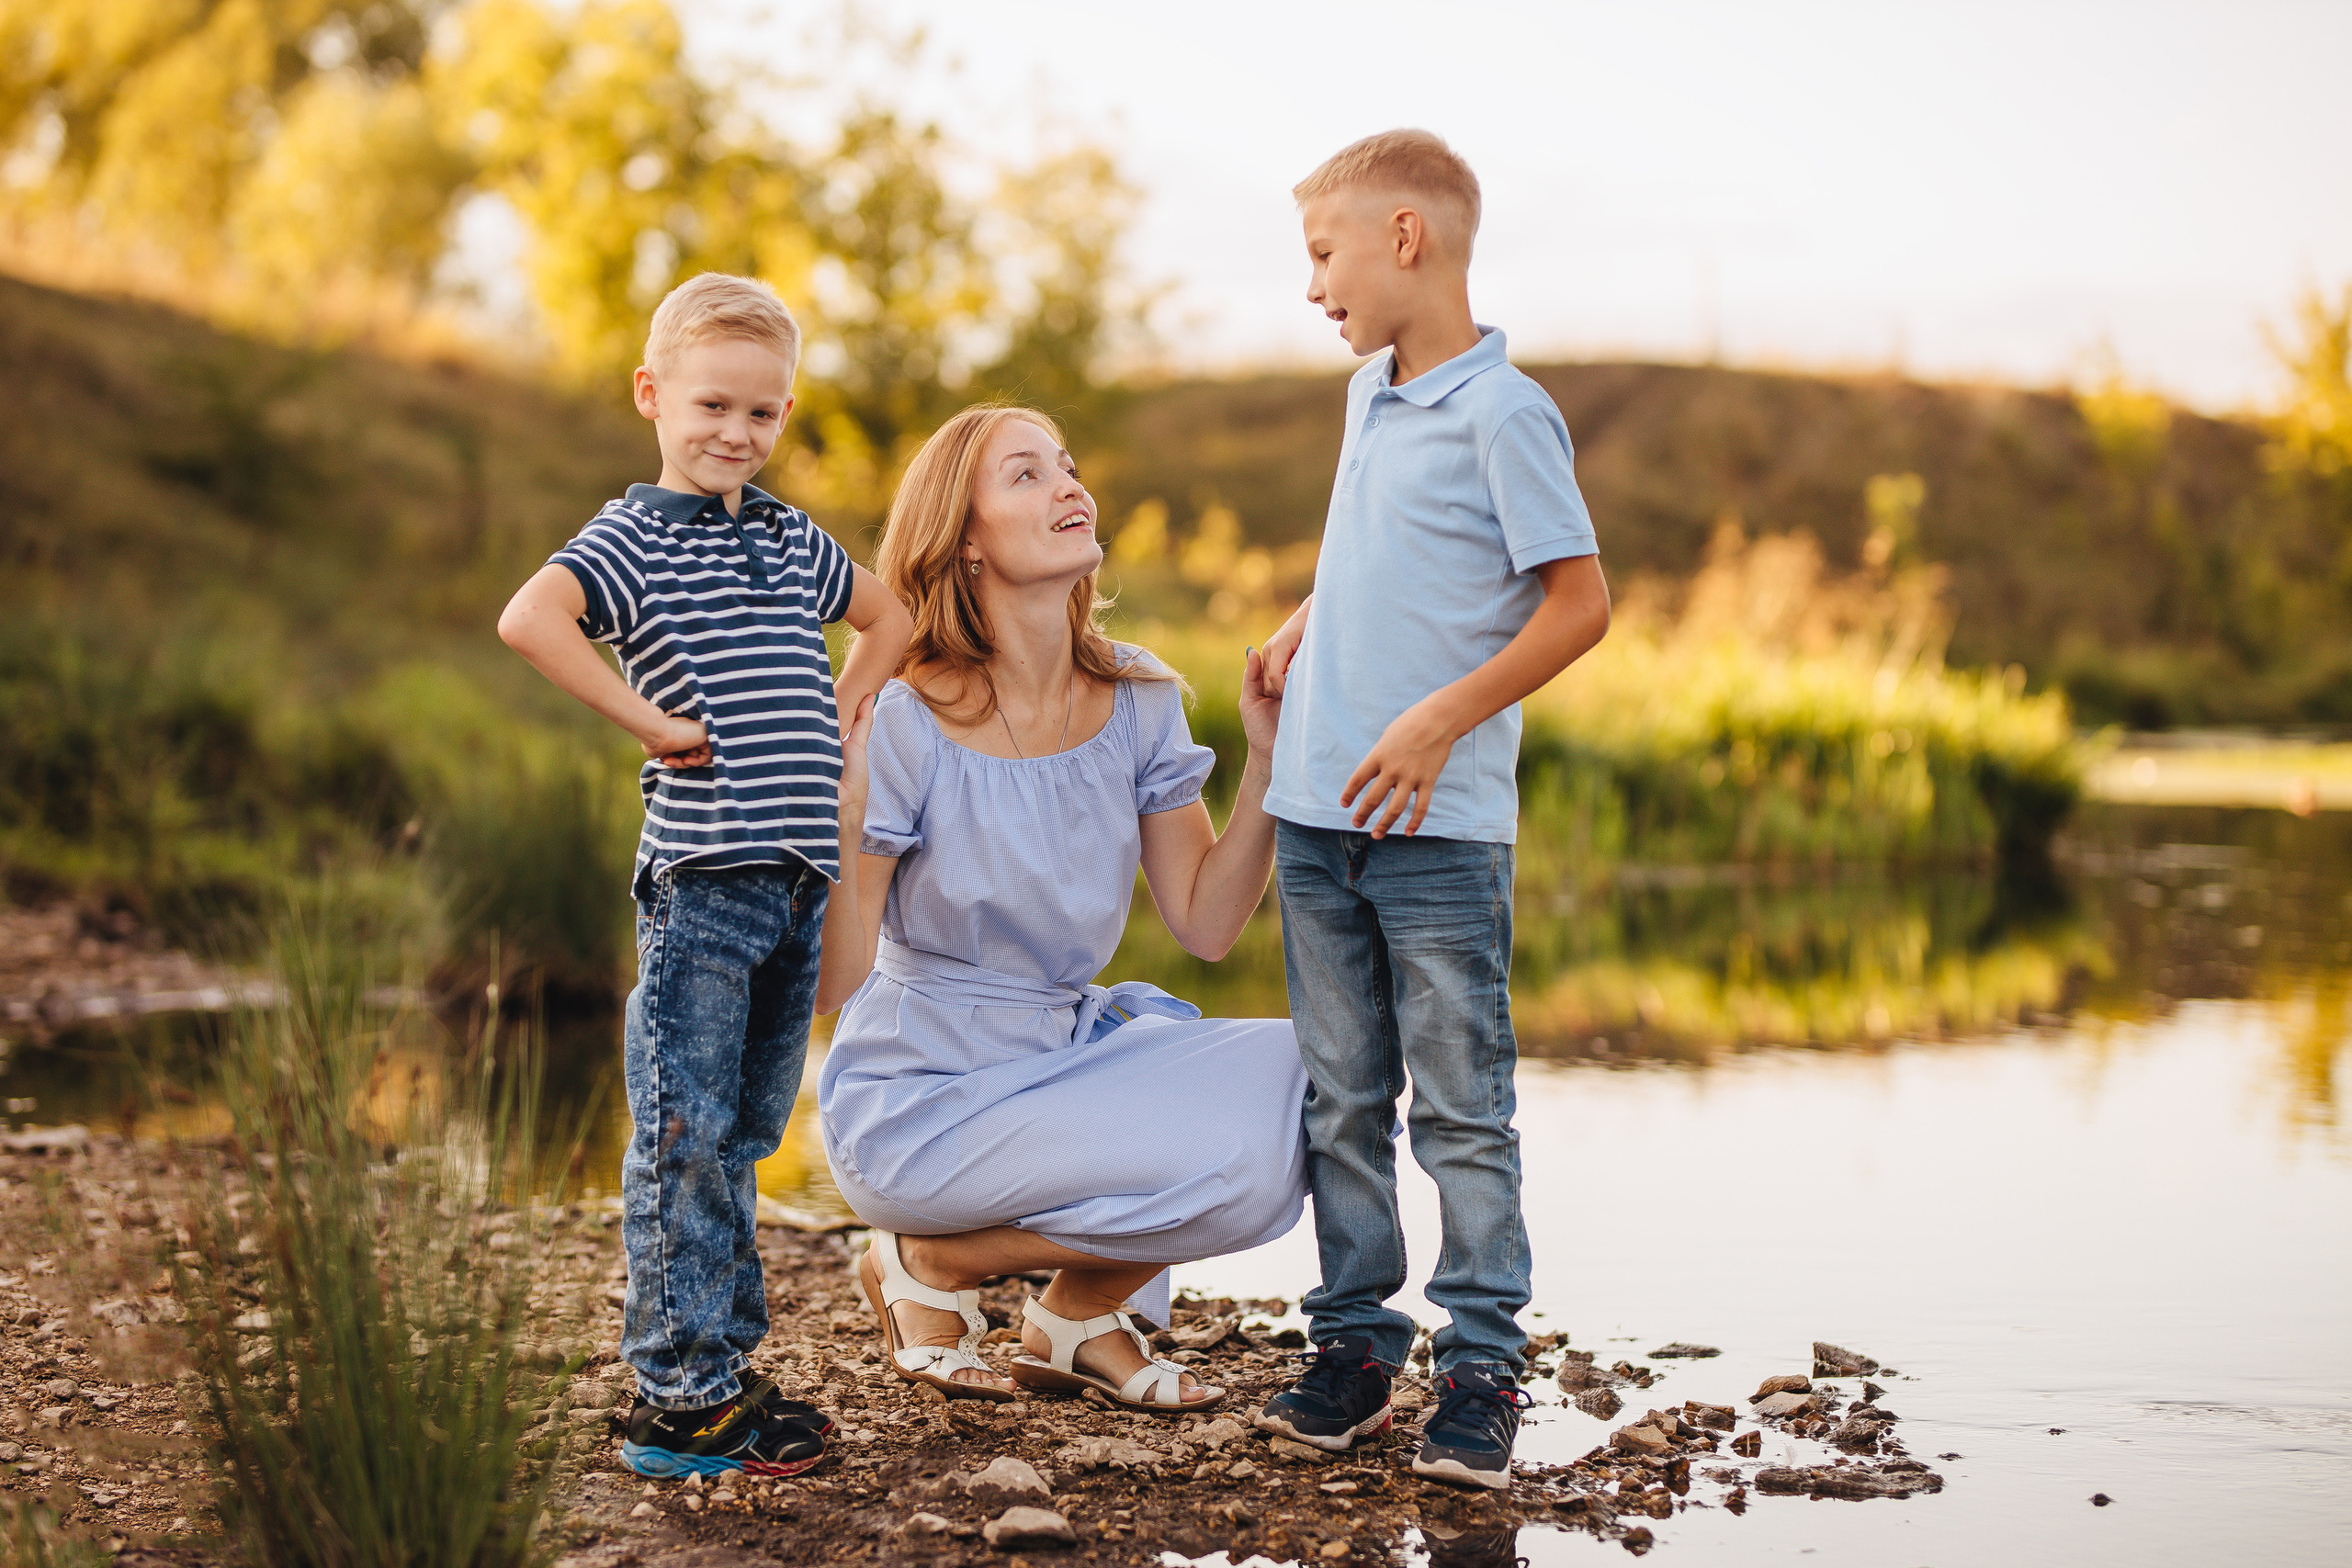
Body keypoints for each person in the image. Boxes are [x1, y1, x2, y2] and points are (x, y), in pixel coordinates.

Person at [497, 273, 913, 1480]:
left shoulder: (789, 536)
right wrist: (642, 715)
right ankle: (676, 1395)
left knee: (741, 1136)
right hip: (703, 883)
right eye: (714, 405)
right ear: (654, 396)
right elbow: (532, 618)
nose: (736, 433)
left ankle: (720, 1362)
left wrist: (851, 698)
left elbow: (884, 619)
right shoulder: (628, 537)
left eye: (765, 413)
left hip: (792, 881)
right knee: (681, 1132)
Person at [813, 403, 1307, 1413]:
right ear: (963, 542)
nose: (1070, 487)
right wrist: (844, 811)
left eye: (1069, 467)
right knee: (1238, 1156)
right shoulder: (906, 716)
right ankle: (931, 1260)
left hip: (1068, 1055)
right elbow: (834, 984)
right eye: (1027, 475)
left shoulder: (1138, 696)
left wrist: (1268, 755)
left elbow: (1207, 923)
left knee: (1332, 1081)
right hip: (922, 1092)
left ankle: (1073, 1313)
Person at [1250, 130, 1611, 1491]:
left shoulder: (1508, 411)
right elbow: (1370, 551)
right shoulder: (1367, 396)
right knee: (1342, 1094)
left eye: (1324, 254)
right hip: (1314, 814)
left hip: (1441, 827)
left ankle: (1478, 1363)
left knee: (1460, 1105)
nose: (1313, 288)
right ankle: (1353, 1342)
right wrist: (1303, 619)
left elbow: (1579, 603)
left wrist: (1441, 714)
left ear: (1407, 236)